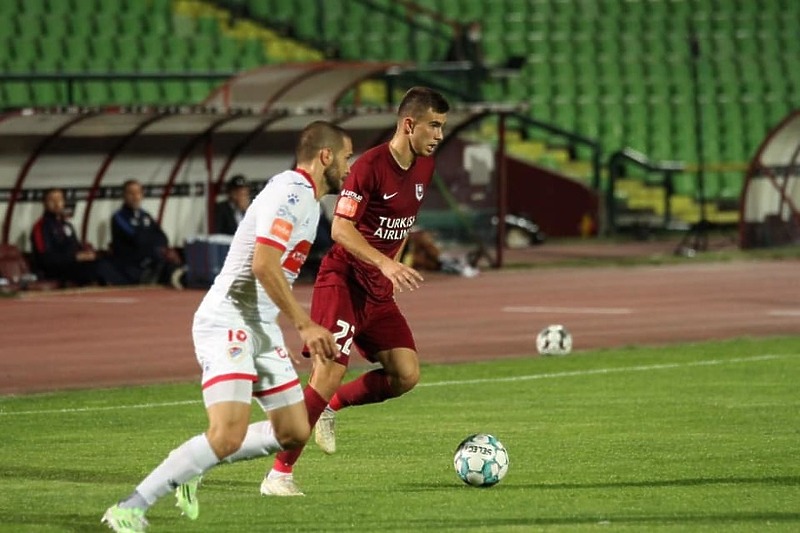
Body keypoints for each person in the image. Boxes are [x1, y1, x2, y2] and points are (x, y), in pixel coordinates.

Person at [101, 120, 353, 532]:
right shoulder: (290, 192)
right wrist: (304, 325)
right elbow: (263, 264)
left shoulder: (310, 202)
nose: (349, 165)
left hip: (259, 325)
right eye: (346, 156)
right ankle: (130, 507)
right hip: (227, 321)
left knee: (294, 431)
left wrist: (273, 329)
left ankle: (199, 461)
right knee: (227, 434)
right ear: (325, 156)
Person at [261, 86, 450, 496]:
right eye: (434, 125)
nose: (439, 135)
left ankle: (333, 406)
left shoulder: (425, 167)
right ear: (408, 124)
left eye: (442, 127)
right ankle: (279, 475)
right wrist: (383, 262)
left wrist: (390, 271)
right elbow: (340, 229)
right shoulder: (369, 167)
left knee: (405, 374)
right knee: (329, 371)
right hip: (343, 280)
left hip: (378, 290)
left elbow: (400, 227)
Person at [29, 187, 121, 287]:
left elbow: (75, 247)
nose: (56, 203)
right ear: (44, 203)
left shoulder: (67, 225)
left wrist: (86, 255)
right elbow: (45, 258)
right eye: (52, 200)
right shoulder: (40, 227)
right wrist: (74, 257)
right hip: (54, 269)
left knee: (103, 263)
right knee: (94, 269)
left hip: (72, 264)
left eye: (59, 199)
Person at [109, 179, 184, 287]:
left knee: (174, 253)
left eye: (138, 193)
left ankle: (181, 275)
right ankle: (170, 275)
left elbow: (162, 237)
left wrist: (157, 244)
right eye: (131, 193)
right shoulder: (119, 217)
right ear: (124, 195)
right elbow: (137, 239)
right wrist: (151, 237)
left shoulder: (145, 215)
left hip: (151, 257)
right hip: (131, 262)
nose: (135, 197)